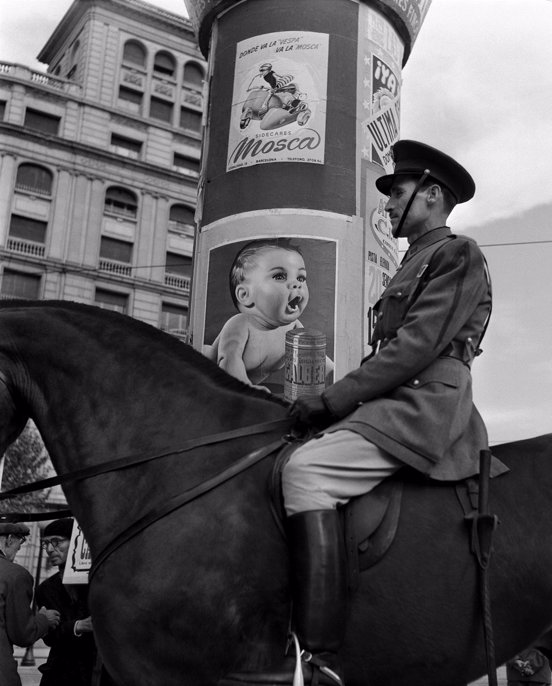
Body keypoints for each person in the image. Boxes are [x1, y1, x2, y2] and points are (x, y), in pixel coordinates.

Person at [227, 140, 492, 686]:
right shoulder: (412, 262)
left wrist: (333, 398)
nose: (389, 205)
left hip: (426, 403)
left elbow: (414, 348)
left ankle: (317, 658)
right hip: (392, 400)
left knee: (307, 472)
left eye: (397, 192)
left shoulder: (456, 254)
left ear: (432, 195)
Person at [204, 239, 333, 389]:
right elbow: (228, 360)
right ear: (245, 295)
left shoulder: (294, 329)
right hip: (207, 373)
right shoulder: (240, 324)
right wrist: (246, 388)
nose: (296, 284)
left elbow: (317, 358)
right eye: (279, 276)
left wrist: (337, 375)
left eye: (300, 278)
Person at [35, 518, 97, 686]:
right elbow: (50, 637)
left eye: (56, 542)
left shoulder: (99, 581)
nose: (49, 549)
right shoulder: (45, 589)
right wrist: (79, 626)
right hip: (60, 675)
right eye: (45, 544)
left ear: (77, 541)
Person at [0, 517, 60, 686]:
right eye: (19, 546)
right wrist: (43, 620)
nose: (17, 552)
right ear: (10, 539)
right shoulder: (15, 575)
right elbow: (23, 634)